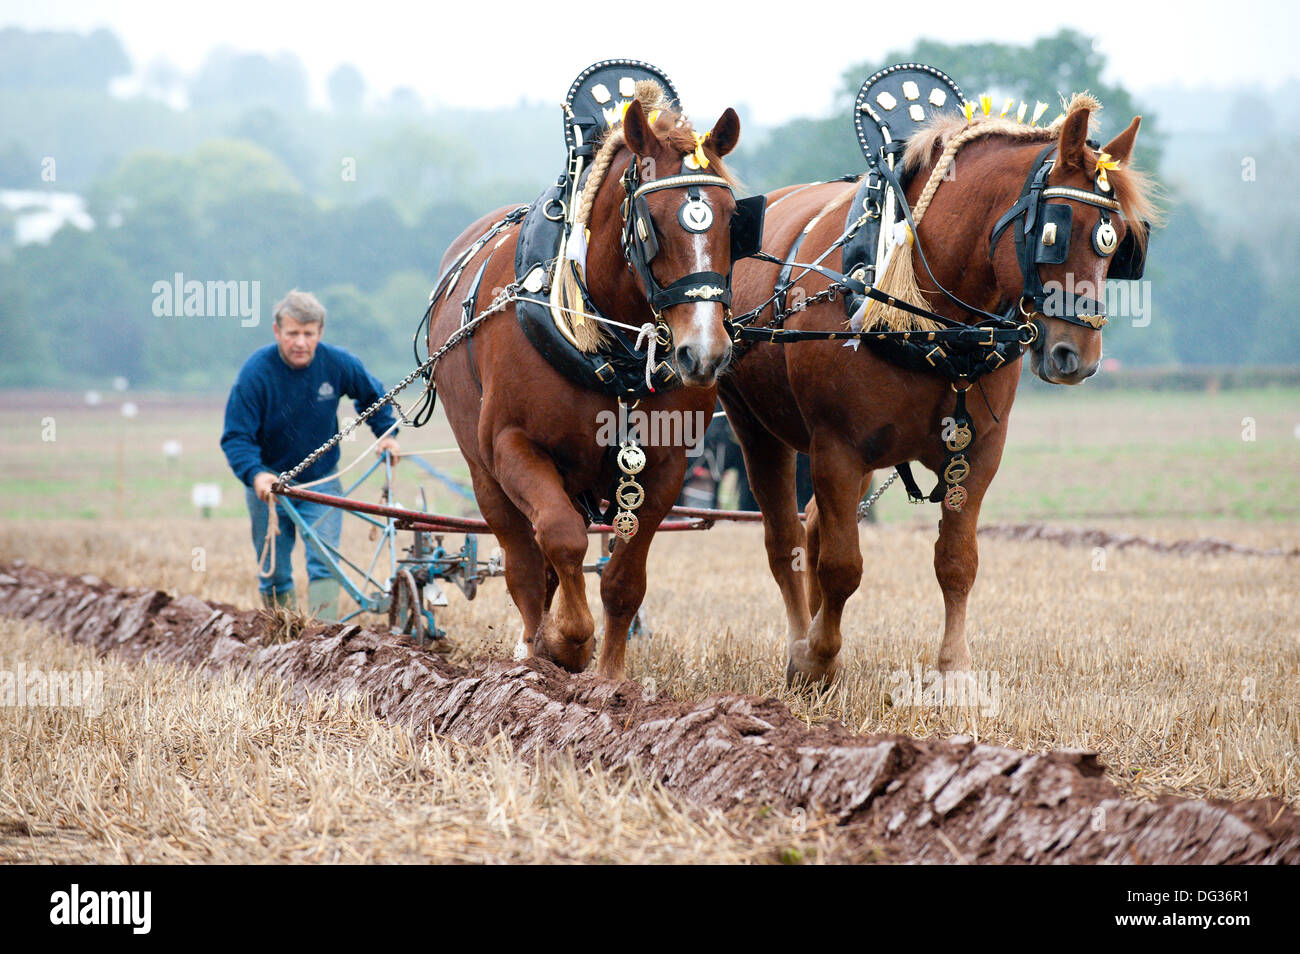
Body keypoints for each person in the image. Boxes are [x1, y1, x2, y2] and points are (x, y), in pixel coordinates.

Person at [221, 290, 400, 619]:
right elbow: (236, 435)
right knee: (274, 571)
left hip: (322, 481)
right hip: (270, 487)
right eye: (293, 334)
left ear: (320, 333)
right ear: (278, 332)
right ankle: (283, 639)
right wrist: (256, 474)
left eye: (308, 334)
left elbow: (373, 396)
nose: (300, 342)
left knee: (324, 562)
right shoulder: (255, 373)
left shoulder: (337, 362)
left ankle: (322, 639)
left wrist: (387, 434)